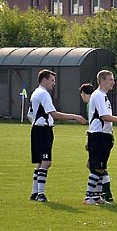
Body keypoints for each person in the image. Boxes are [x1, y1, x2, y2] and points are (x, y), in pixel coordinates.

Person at [28, 69, 86, 202]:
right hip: (43, 130)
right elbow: (53, 114)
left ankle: (34, 192)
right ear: (44, 80)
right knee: (46, 162)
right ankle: (40, 194)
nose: (54, 83)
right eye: (52, 80)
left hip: (37, 129)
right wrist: (75, 117)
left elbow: (29, 115)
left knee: (40, 163)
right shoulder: (43, 94)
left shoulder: (36, 92)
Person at [83, 70, 117, 205]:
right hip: (99, 135)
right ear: (102, 80)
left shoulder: (103, 96)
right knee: (98, 167)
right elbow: (104, 116)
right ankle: (88, 196)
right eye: (110, 79)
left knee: (100, 167)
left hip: (103, 134)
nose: (113, 82)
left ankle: (96, 196)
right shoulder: (98, 95)